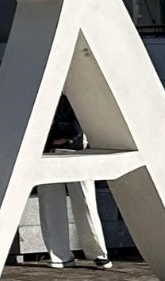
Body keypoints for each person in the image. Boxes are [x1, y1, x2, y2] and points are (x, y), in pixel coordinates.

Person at [36, 96, 110, 269]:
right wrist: (53, 135)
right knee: (50, 204)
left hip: (75, 153)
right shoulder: (39, 95)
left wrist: (50, 133)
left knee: (85, 202)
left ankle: (98, 253)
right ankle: (59, 255)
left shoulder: (73, 96)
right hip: (46, 153)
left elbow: (74, 128)